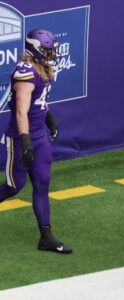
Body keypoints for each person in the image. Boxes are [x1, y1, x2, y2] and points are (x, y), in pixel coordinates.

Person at [0, 29, 72, 254]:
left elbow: (39, 102)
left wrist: (50, 121)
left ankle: (46, 237)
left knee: (42, 182)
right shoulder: (26, 72)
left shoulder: (43, 68)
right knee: (14, 185)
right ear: (35, 50)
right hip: (22, 137)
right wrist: (25, 141)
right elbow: (21, 112)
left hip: (39, 135)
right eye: (47, 50)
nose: (51, 54)